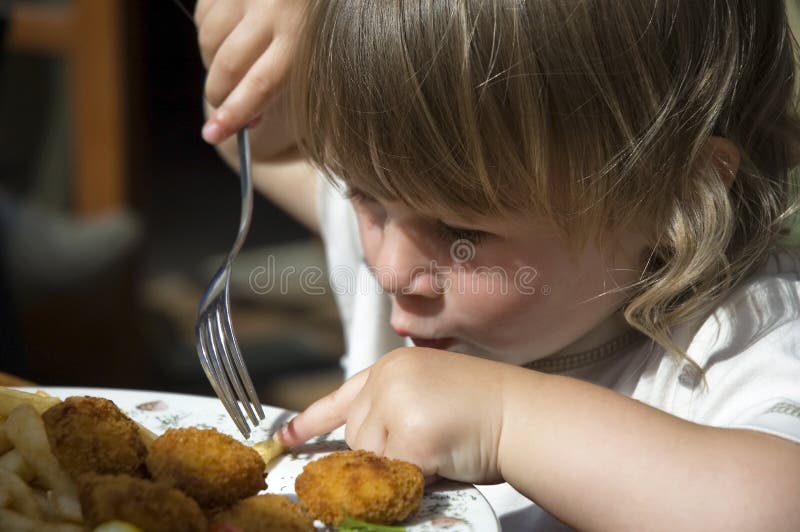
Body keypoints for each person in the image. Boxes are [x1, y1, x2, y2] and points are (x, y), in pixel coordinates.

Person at [196, 1, 800, 529]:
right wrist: (279, 45)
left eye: (462, 230)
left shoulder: (741, 342)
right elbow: (251, 141)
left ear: (674, 199)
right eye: (364, 197)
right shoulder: (407, 219)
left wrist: (505, 420)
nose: (390, 272)